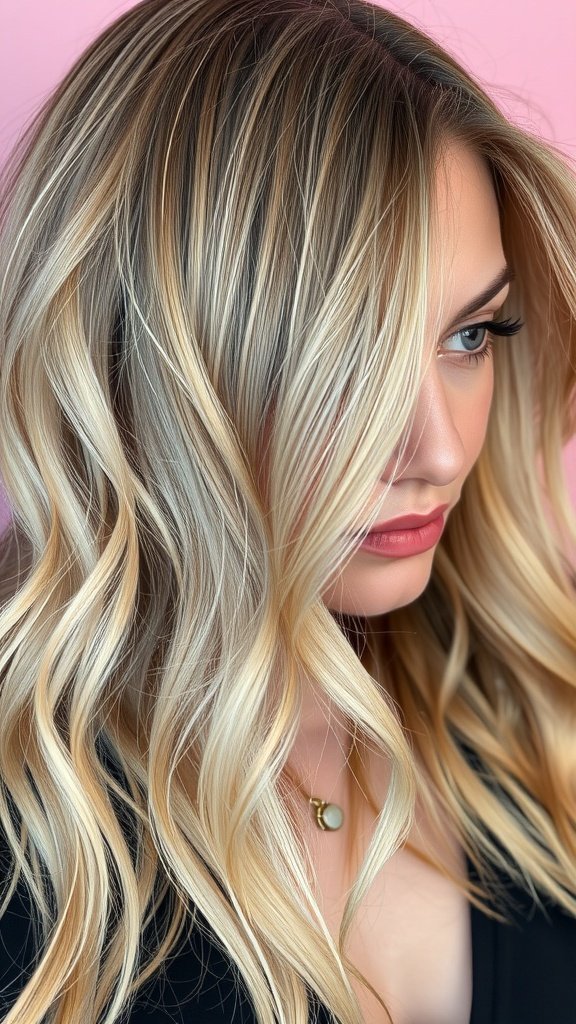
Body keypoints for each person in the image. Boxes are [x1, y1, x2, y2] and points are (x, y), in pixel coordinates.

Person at [0, 1, 574, 1022]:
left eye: (472, 335)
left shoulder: (530, 709)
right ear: (152, 364)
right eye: (353, 354)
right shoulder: (35, 839)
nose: (439, 450)